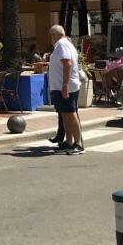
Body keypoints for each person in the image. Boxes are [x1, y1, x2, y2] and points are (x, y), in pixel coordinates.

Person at [47, 24, 84, 154]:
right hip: (60, 87)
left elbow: (67, 64)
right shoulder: (63, 45)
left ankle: (78, 144)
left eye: (51, 35)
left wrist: (65, 85)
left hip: (65, 87)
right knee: (65, 115)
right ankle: (69, 142)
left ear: (54, 35)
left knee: (70, 114)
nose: (50, 38)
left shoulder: (62, 45)